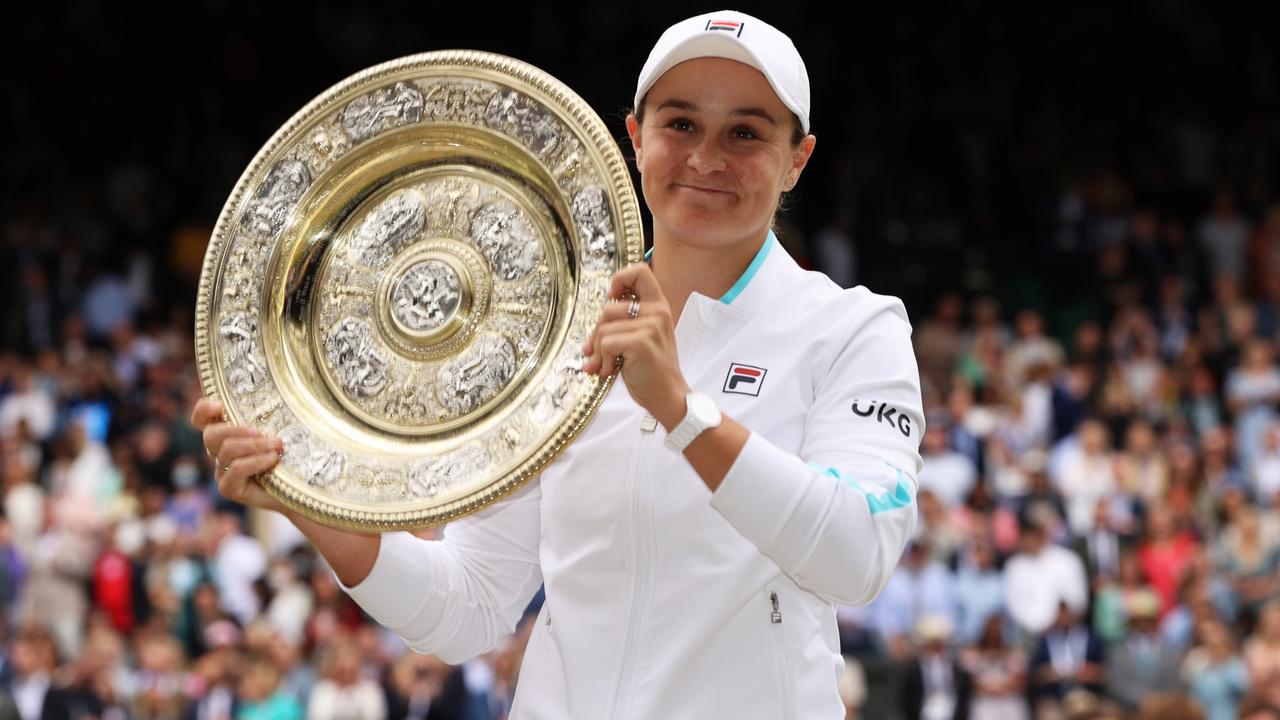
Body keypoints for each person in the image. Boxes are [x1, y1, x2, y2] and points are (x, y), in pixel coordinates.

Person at [192, 9, 925, 718]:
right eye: (680, 124)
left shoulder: (853, 328)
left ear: (798, 159)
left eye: (745, 132)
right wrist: (305, 497)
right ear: (635, 138)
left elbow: (855, 556)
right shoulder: (552, 333)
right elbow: (469, 608)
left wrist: (680, 409)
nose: (706, 158)